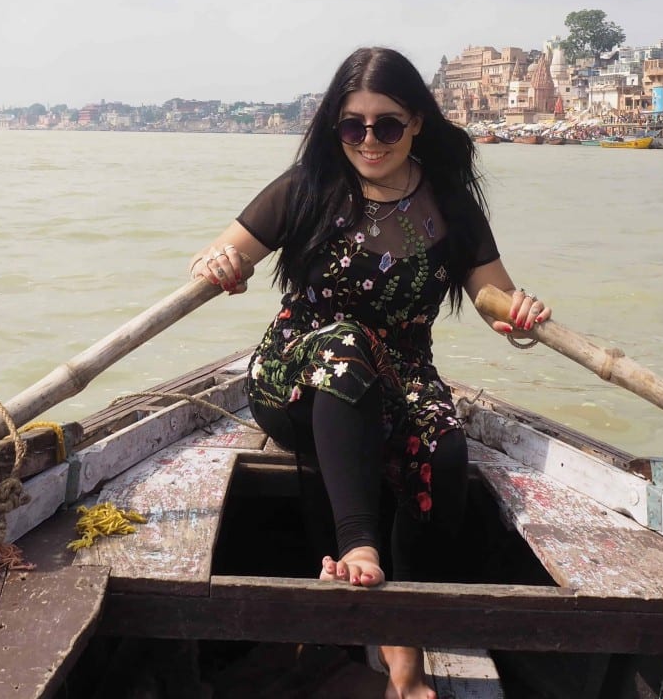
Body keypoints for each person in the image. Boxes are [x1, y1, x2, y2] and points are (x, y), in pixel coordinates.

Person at [189, 47, 550, 699]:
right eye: (352, 126)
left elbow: (491, 290)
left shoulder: (452, 206)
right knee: (348, 347)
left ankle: (403, 654)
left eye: (385, 124)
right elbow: (224, 253)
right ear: (336, 128)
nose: (369, 140)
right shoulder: (305, 189)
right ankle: (359, 549)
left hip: (404, 373)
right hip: (298, 370)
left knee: (442, 451)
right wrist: (219, 266)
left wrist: (513, 310)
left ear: (415, 122)